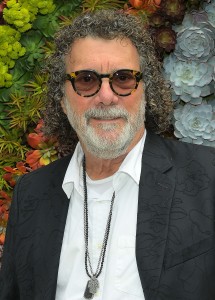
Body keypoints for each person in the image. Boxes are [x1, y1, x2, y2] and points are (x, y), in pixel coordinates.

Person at [0, 9, 214, 300]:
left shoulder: (208, 176)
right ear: (62, 100)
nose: (106, 95)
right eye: (86, 79)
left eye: (123, 78)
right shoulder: (31, 194)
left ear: (146, 92)